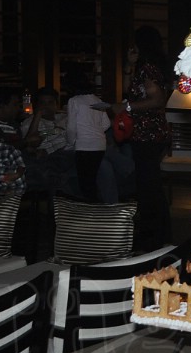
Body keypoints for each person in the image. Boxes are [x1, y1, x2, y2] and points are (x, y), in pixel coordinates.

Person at [113, 26, 172, 250]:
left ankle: (152, 237)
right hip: (145, 133)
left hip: (149, 133)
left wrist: (127, 106)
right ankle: (159, 235)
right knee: (149, 185)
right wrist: (129, 65)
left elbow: (157, 100)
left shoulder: (149, 69)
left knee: (149, 187)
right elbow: (130, 89)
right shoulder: (144, 67)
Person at [65, 69, 111, 201]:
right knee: (92, 180)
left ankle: (90, 214)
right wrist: (95, 131)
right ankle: (96, 211)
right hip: (99, 145)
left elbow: (71, 128)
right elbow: (107, 124)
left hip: (83, 146)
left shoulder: (74, 101)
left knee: (85, 184)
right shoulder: (97, 100)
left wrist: (70, 142)